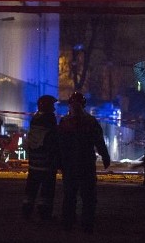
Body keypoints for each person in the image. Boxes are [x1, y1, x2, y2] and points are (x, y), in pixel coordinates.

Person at [58, 91, 111, 233]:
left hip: (69, 165)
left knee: (70, 195)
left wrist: (58, 162)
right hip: (86, 164)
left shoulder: (64, 122)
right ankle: (87, 225)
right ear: (84, 105)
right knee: (88, 197)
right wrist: (105, 156)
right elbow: (99, 141)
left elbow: (59, 144)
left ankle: (68, 223)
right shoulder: (90, 121)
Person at [22, 94, 60, 221]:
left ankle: (26, 212)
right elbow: (54, 139)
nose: (54, 109)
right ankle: (44, 214)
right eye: (52, 106)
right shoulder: (50, 119)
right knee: (47, 190)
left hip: (34, 164)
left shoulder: (35, 119)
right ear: (47, 106)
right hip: (47, 164)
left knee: (31, 189)